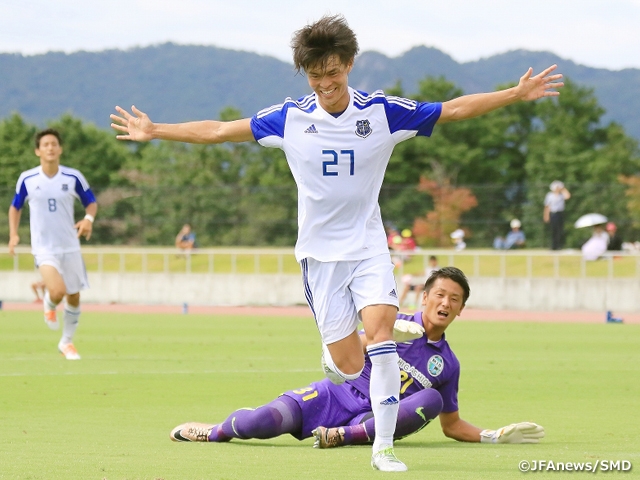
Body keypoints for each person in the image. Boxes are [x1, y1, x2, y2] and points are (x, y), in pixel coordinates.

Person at [110, 14, 562, 471]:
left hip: (368, 248)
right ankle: (339, 364)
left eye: (333, 72)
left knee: (382, 339)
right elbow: (218, 131)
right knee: (349, 364)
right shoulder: (288, 118)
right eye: (315, 75)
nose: (325, 83)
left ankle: (382, 448)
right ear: (305, 74)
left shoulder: (381, 111)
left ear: (348, 64)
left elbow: (453, 110)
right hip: (319, 257)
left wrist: (515, 94)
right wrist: (156, 130)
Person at [169, 268, 544, 455]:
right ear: (425, 297)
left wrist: (490, 435)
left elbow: (451, 424)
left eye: (455, 299)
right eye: (440, 295)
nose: (446, 304)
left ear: (462, 310)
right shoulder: (389, 318)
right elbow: (344, 352)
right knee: (263, 422)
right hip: (336, 394)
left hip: (370, 420)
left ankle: (340, 438)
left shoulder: (448, 364)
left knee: (431, 399)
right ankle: (215, 430)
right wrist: (383, 336)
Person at [7, 128, 97, 360]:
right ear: (38, 151)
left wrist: (88, 220)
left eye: (54, 144)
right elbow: (15, 207)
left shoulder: (73, 177)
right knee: (58, 291)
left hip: (70, 246)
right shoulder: (27, 179)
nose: (50, 148)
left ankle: (66, 343)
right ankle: (49, 302)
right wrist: (13, 235)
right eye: (45, 144)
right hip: (44, 247)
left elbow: (91, 203)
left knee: (74, 296)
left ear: (60, 149)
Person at [543, 181, 571, 250]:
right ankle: (553, 245)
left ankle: (559, 245)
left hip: (560, 213)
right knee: (553, 230)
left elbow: (568, 196)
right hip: (553, 213)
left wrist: (562, 189)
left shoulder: (561, 195)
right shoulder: (549, 195)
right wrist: (546, 216)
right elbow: (547, 206)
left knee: (559, 230)